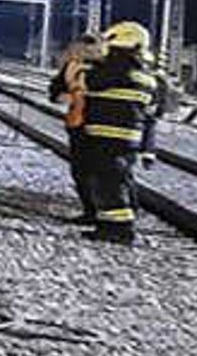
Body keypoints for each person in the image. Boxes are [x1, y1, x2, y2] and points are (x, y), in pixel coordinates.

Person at [54, 18, 160, 242]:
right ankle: (107, 224)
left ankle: (120, 230)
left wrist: (78, 64)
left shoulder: (114, 68)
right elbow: (151, 112)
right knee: (115, 180)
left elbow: (88, 83)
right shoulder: (147, 77)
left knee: (109, 184)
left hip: (107, 136)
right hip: (127, 137)